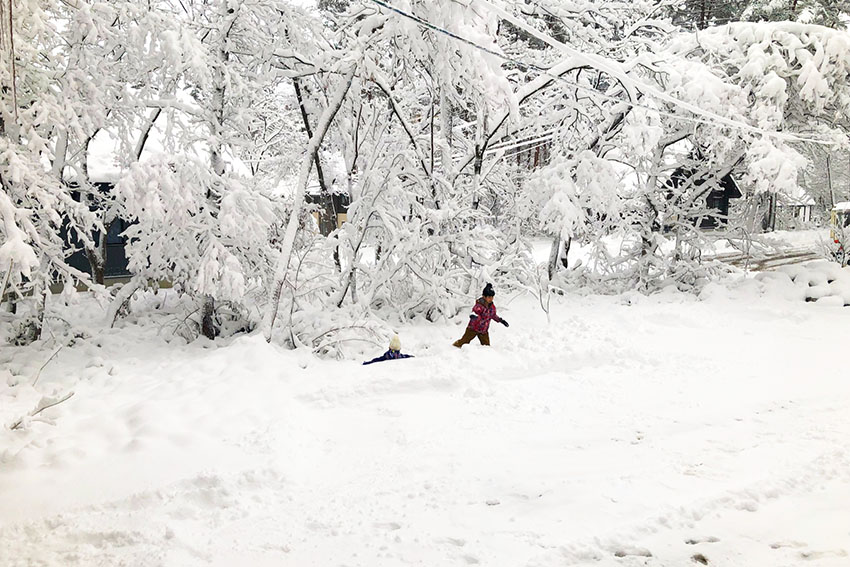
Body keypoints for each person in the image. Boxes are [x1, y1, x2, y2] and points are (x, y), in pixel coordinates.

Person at [452, 283, 509, 348]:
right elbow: (475, 312)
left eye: (492, 297)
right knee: (464, 341)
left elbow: (493, 315)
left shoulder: (492, 307)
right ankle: (454, 347)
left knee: (486, 346)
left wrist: (501, 320)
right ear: (484, 297)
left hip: (483, 331)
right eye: (489, 297)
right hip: (473, 328)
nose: (491, 299)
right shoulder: (479, 305)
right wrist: (474, 316)